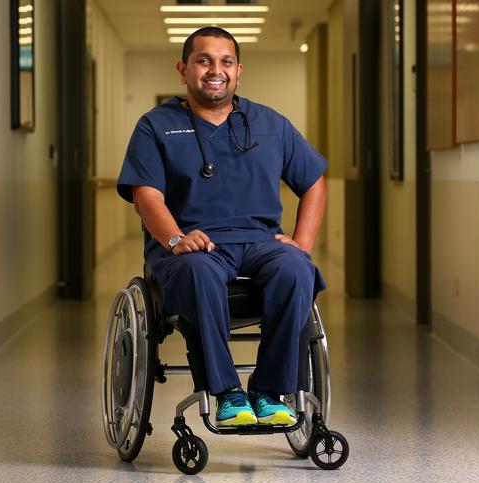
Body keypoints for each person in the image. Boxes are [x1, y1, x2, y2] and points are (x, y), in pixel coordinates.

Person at [117, 27, 327, 427]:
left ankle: (269, 391)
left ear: (238, 70)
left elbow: (314, 180)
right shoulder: (155, 126)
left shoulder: (270, 124)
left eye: (225, 61)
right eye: (204, 60)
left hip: (259, 243)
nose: (216, 70)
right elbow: (147, 195)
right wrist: (176, 238)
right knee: (198, 272)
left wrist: (302, 241)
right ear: (183, 69)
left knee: (297, 268)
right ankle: (227, 392)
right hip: (190, 247)